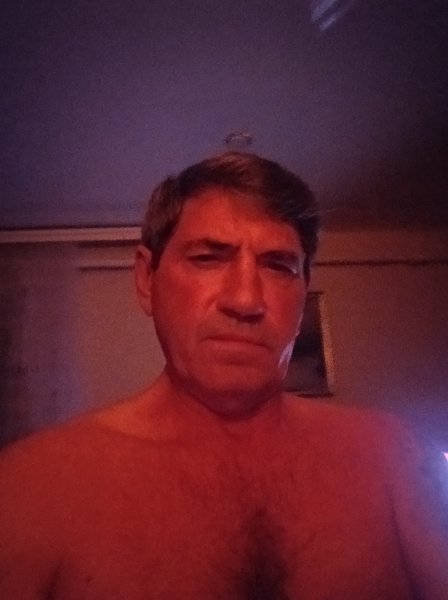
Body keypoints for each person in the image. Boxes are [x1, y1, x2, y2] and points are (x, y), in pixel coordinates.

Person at [0, 152, 447, 599]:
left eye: (278, 266)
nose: (245, 300)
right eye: (208, 258)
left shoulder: (394, 458)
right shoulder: (34, 485)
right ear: (146, 279)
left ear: (302, 292)